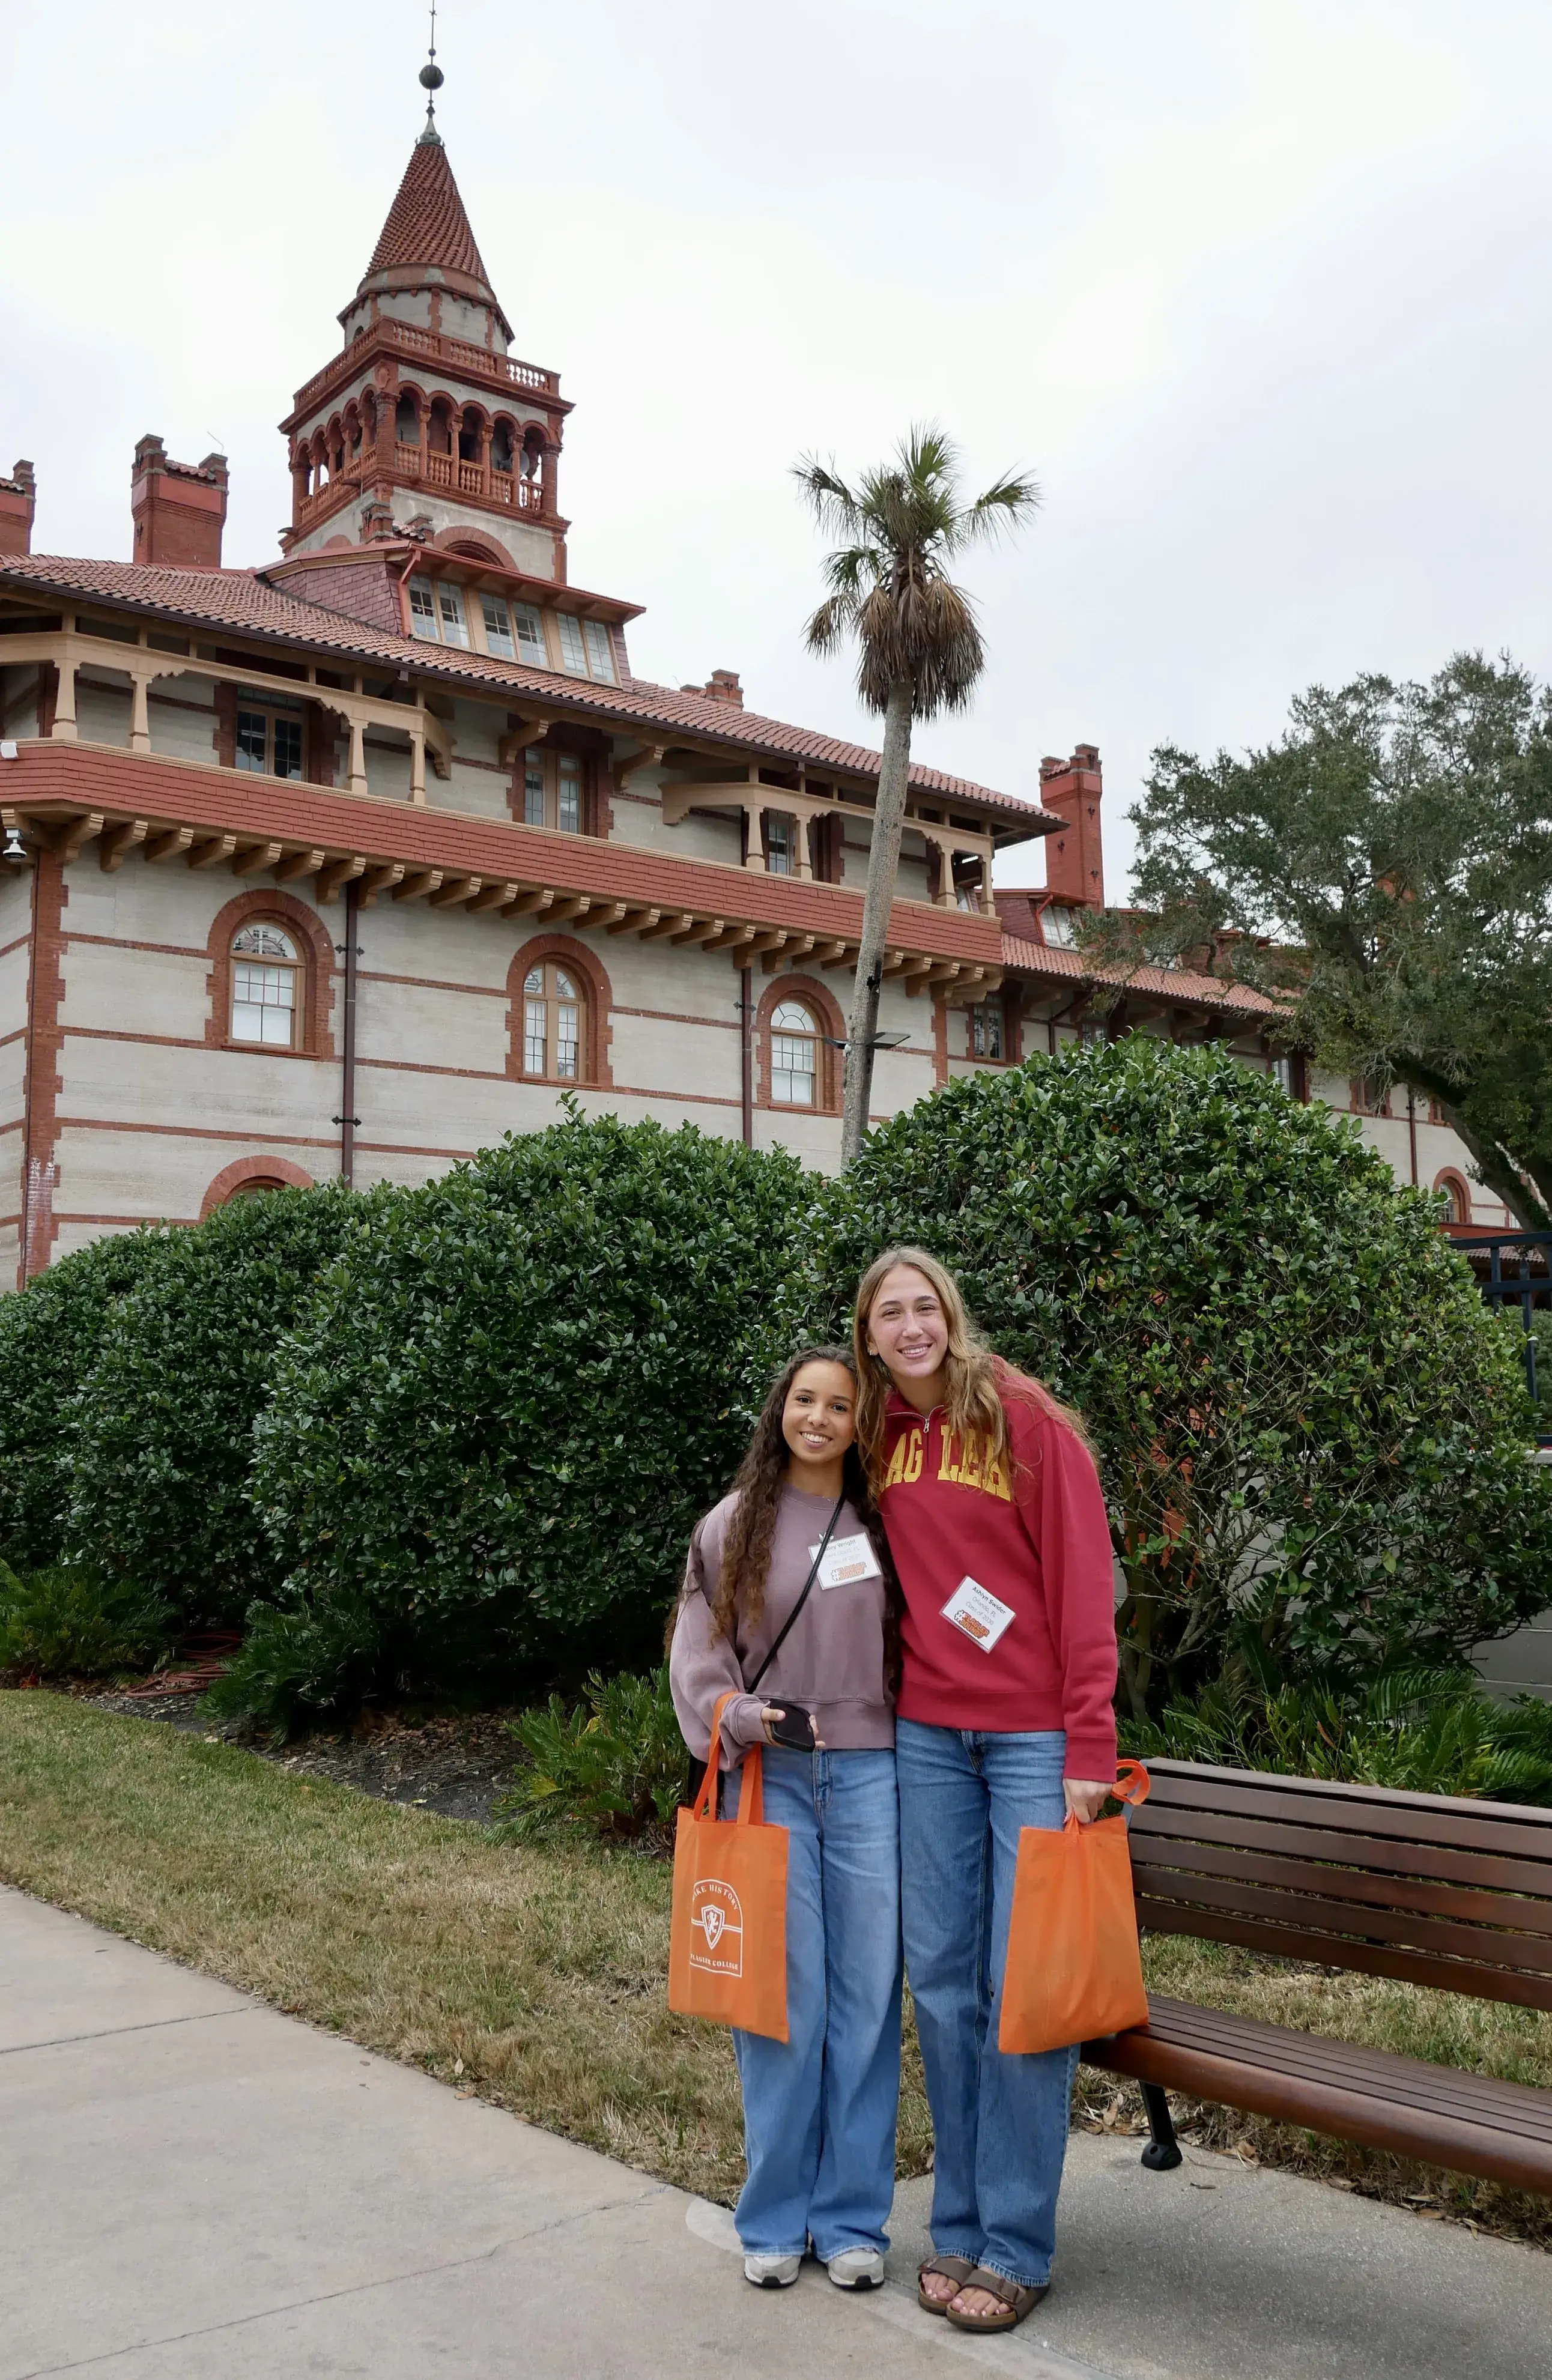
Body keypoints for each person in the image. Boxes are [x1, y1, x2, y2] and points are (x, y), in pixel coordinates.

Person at [850, 1247, 1118, 2336]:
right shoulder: (879, 1436)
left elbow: (1082, 1576)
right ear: (868, 1334)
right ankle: (955, 2222)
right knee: (946, 1980)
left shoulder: (1020, 1419)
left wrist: (1087, 1745)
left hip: (1027, 1739)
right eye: (889, 1312)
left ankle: (1017, 2240)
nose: (911, 1326)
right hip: (927, 1738)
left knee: (1020, 1990)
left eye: (926, 1306)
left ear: (951, 1318)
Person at [670, 1346, 902, 2294]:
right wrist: (734, 1714)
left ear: (860, 1422)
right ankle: (769, 2216)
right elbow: (699, 1656)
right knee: (778, 2003)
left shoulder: (884, 1525)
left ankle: (850, 2220)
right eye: (804, 1400)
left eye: (838, 1404)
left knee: (866, 2004)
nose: (818, 1417)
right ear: (780, 1413)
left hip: (872, 1780)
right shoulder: (733, 1525)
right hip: (769, 1781)